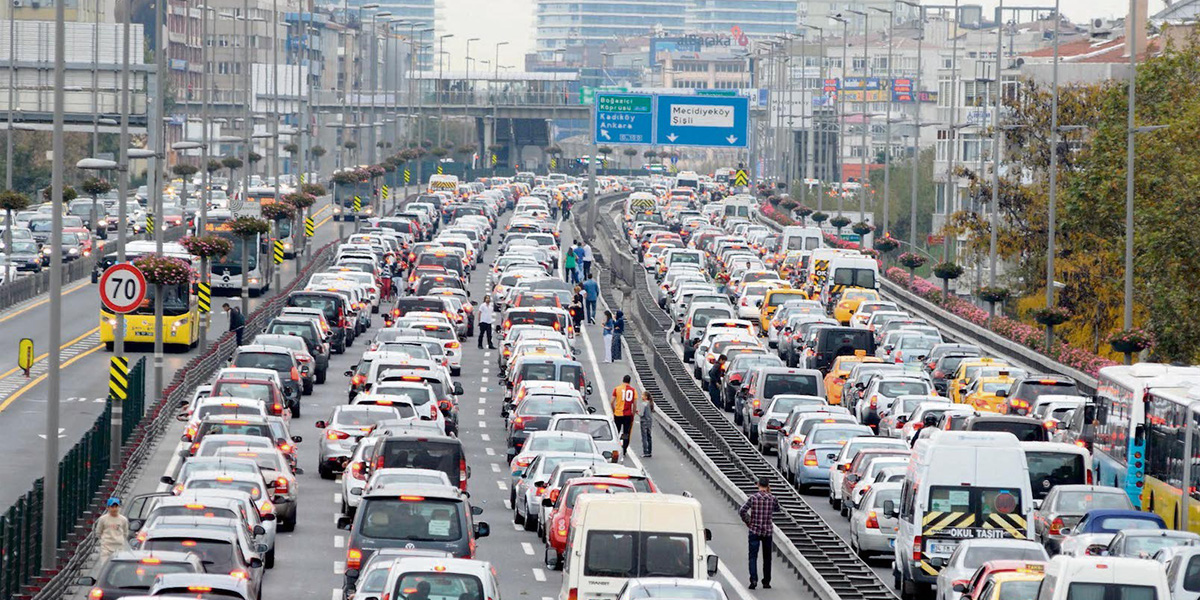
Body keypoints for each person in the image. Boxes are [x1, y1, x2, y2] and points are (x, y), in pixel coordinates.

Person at [738, 477, 781, 590]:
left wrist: (748, 521)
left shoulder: (753, 498)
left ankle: (753, 579)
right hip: (767, 532)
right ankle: (766, 582)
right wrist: (770, 494)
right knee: (767, 558)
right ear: (768, 485)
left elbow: (742, 510)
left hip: (754, 530)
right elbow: (777, 509)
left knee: (753, 556)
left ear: (758, 484)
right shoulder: (773, 498)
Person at [94, 497, 130, 564]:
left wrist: (120, 539)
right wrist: (104, 540)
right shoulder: (103, 519)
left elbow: (125, 532)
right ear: (108, 508)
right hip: (106, 548)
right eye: (112, 507)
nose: (114, 509)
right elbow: (98, 532)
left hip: (119, 547)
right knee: (105, 566)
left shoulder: (123, 520)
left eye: (116, 507)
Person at [611, 375, 637, 454]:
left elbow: (612, 402)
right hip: (628, 414)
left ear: (623, 380)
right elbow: (635, 404)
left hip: (618, 414)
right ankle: (624, 449)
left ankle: (615, 447)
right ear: (629, 381)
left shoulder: (617, 389)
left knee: (616, 431)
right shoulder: (633, 390)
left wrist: (614, 410)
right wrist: (633, 413)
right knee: (626, 432)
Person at [640, 390, 654, 458]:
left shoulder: (643, 404)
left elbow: (641, 414)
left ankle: (645, 452)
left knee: (644, 437)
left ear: (645, 397)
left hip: (644, 422)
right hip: (649, 422)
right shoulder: (649, 404)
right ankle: (649, 452)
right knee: (649, 437)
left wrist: (637, 412)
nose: (641, 396)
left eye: (642, 395)